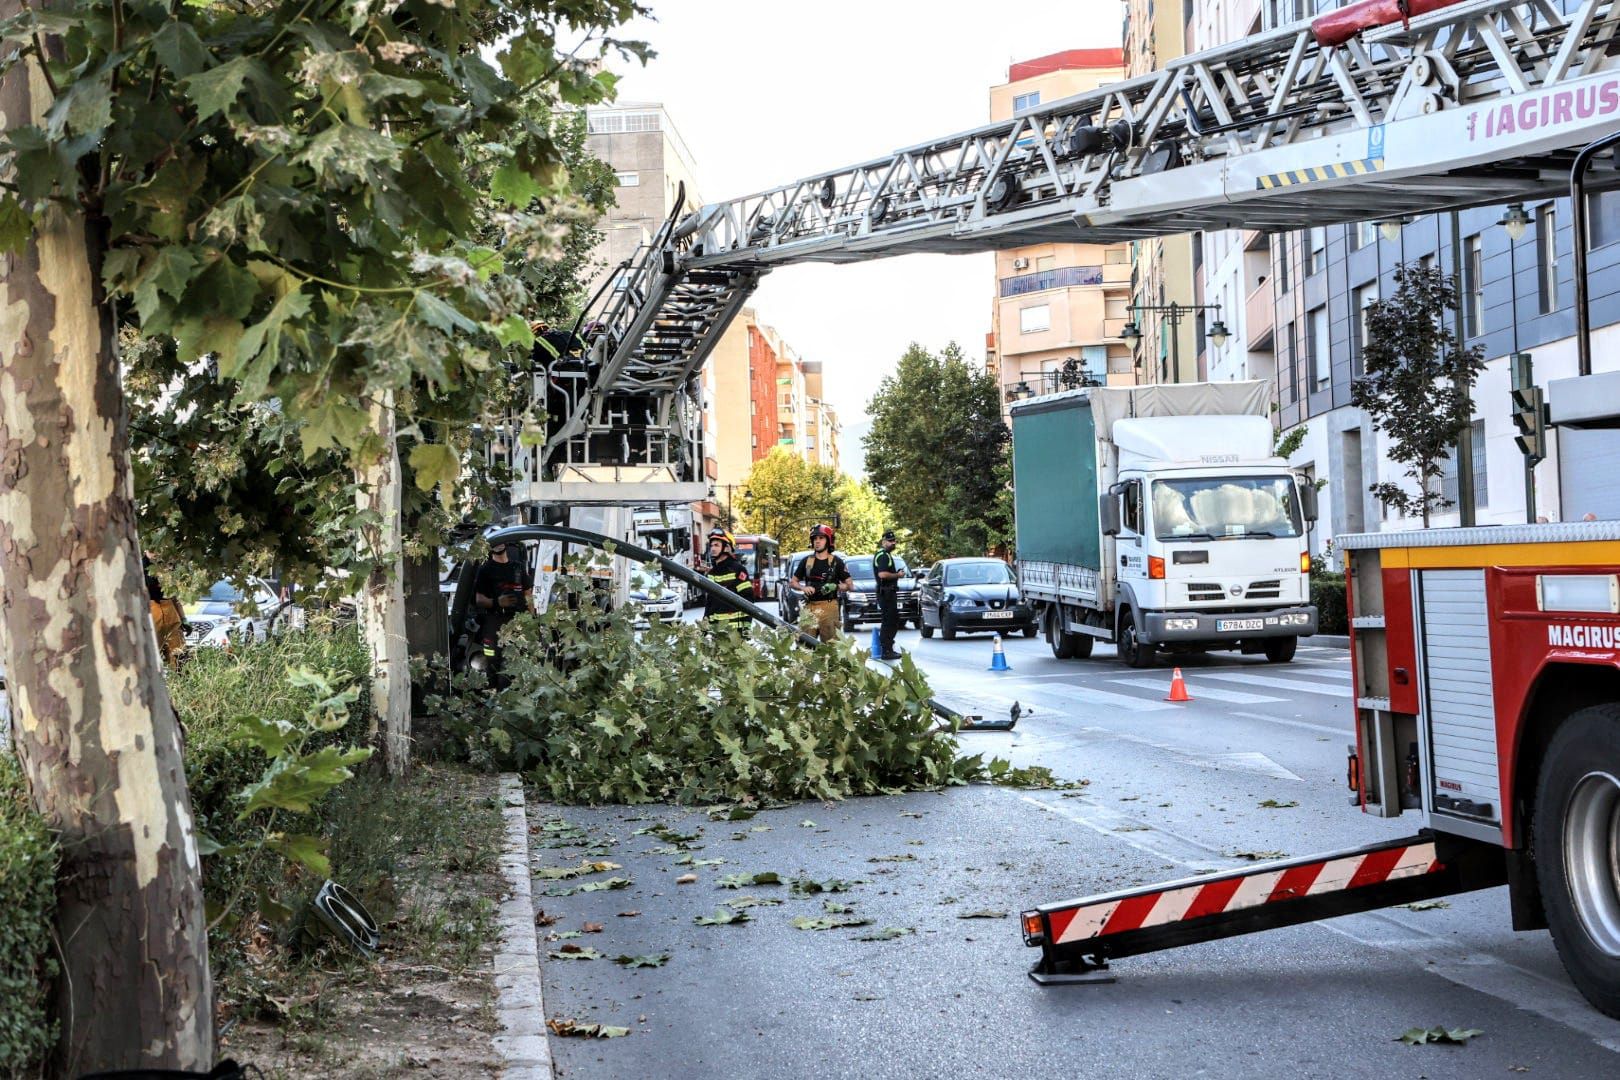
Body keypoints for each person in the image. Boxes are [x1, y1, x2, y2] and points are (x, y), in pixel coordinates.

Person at [473, 539, 533, 674]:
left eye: (501, 541)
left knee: (518, 661)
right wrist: (497, 602)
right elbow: (479, 600)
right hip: (495, 623)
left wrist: (532, 620)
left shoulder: (518, 567)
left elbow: (528, 595)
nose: (498, 544)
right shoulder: (485, 570)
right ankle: (493, 688)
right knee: (492, 662)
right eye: (495, 542)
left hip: (518, 622)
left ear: (506, 543)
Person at [789, 523, 851, 643]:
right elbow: (793, 582)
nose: (817, 541)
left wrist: (835, 586)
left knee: (831, 647)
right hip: (809, 607)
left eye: (821, 538)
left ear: (828, 541)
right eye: (815, 539)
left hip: (829, 607)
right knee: (804, 647)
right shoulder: (806, 561)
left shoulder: (836, 562)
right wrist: (803, 587)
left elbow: (849, 585)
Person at [700, 528, 753, 628]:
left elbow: (748, 600)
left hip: (735, 633)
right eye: (711, 545)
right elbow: (709, 604)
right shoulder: (711, 573)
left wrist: (746, 629)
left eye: (716, 545)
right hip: (717, 634)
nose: (712, 549)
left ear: (726, 547)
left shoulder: (738, 570)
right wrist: (703, 630)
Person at [143, 553, 186, 667]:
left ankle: (180, 680)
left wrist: (183, 618)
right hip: (151, 611)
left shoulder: (167, 565)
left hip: (170, 610)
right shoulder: (138, 566)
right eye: (152, 550)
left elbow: (174, 595)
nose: (155, 552)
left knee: (178, 655)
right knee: (152, 656)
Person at [872, 529, 904, 660]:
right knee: (890, 621)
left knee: (891, 620)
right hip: (886, 593)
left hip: (887, 592)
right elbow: (882, 574)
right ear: (883, 542)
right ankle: (886, 649)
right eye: (890, 541)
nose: (893, 543)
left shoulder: (884, 554)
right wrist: (898, 575)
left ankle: (887, 648)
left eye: (894, 541)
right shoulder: (883, 555)